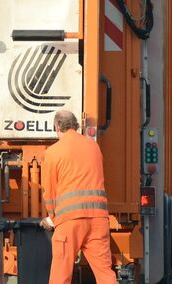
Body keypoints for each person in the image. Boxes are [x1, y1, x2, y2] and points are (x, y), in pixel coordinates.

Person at [40, 110, 117, 284]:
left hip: (69, 222)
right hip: (98, 219)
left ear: (57, 126)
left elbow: (49, 191)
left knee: (61, 275)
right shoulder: (93, 147)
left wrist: (52, 218)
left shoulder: (53, 152)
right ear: (76, 125)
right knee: (105, 274)